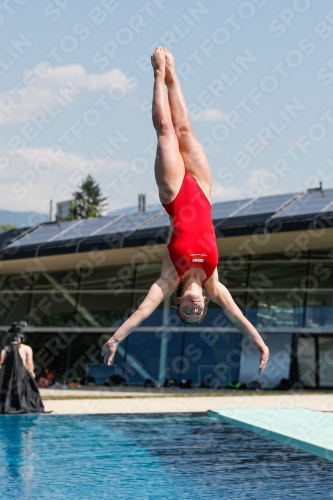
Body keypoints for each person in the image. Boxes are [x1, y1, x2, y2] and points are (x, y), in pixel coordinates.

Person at [102, 47, 269, 375]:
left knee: (165, 129)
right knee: (186, 131)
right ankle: (174, 74)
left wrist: (117, 338)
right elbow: (237, 315)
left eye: (187, 312)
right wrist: (261, 343)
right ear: (204, 303)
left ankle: (158, 74)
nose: (194, 309)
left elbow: (143, 310)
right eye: (199, 312)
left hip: (176, 193)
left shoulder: (169, 278)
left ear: (178, 302)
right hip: (203, 191)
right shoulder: (213, 282)